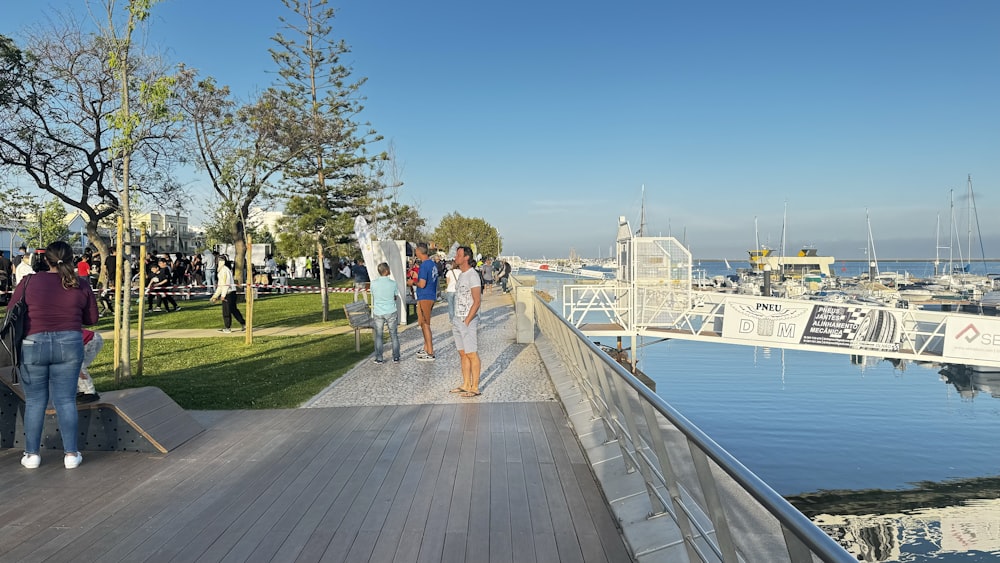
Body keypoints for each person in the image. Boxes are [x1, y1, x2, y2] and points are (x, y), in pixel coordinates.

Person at [9, 240, 98, 469]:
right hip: (69, 343)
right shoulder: (81, 284)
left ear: (44, 259)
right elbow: (92, 319)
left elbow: (11, 311)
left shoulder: (29, 282)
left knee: (36, 401)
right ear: (71, 259)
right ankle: (70, 455)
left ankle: (32, 455)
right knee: (66, 400)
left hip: (33, 344)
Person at [449, 246, 482, 398]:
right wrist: (457, 320)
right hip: (457, 319)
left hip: (467, 320)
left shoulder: (472, 276)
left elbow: (477, 301)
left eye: (459, 254)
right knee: (463, 354)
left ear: (466, 257)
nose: (456, 257)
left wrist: (467, 320)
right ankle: (465, 384)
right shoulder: (462, 275)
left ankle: (474, 387)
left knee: (471, 353)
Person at [408, 243, 439, 361]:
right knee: (423, 323)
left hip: (424, 296)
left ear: (419, 252)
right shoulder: (432, 264)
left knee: (425, 324)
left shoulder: (424, 265)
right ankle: (426, 348)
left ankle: (430, 352)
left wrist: (412, 282)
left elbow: (422, 284)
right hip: (431, 295)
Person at [370, 262, 401, 364]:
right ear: (386, 271)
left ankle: (379, 357)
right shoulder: (393, 283)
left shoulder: (373, 283)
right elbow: (395, 296)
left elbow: (374, 295)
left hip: (378, 311)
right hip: (391, 310)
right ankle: (396, 357)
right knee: (394, 335)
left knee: (379, 335)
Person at [210, 256, 245, 333]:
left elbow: (226, 284)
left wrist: (223, 295)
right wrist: (215, 296)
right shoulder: (222, 271)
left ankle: (227, 328)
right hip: (230, 293)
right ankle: (243, 323)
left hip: (229, 293)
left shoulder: (224, 270)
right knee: (233, 310)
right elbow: (220, 286)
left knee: (226, 311)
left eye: (217, 261)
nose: (216, 262)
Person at [77, 328, 103, 404]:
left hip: (91, 340)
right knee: (75, 368)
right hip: (89, 339)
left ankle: (90, 392)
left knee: (79, 367)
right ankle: (82, 390)